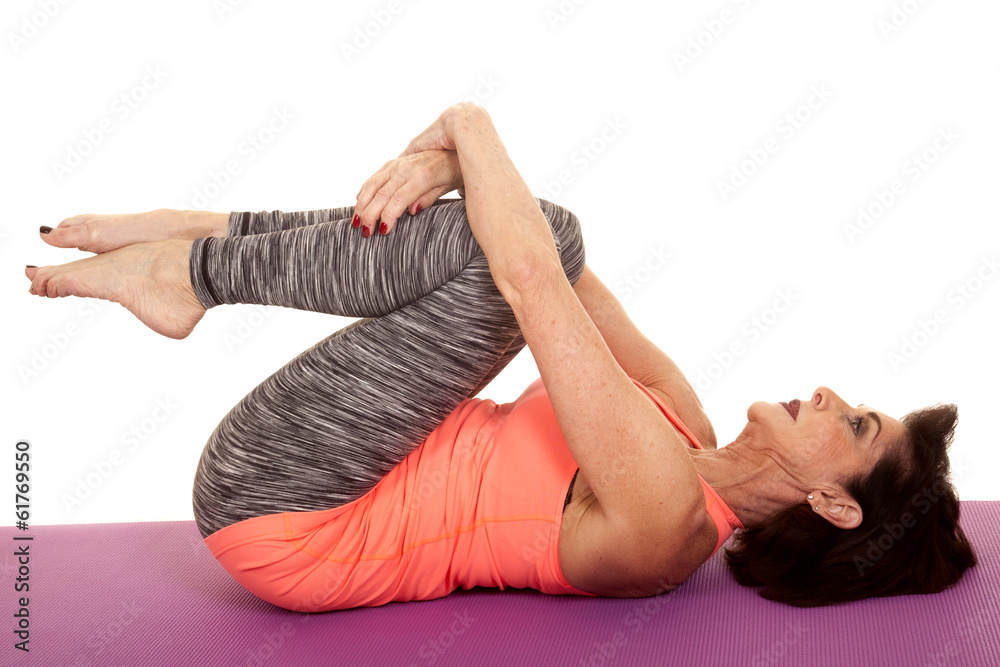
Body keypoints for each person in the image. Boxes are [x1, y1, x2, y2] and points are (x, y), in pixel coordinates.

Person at [25, 102, 975, 610]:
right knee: (533, 234)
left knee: (532, 242)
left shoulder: (668, 523)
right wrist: (454, 173)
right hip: (341, 452)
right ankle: (198, 246)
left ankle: (198, 270)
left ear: (835, 503)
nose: (828, 392)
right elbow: (536, 251)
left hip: (292, 512)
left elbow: (529, 277)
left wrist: (465, 129)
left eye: (855, 423)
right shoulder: (678, 408)